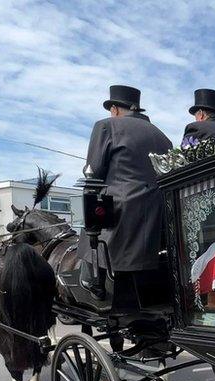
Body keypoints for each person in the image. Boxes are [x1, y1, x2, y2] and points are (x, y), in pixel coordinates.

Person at [78, 85, 173, 311]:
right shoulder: (163, 137)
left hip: (123, 211)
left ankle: (92, 280)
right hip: (157, 214)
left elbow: (94, 171)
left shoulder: (106, 126)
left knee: (91, 225)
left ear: (115, 109)